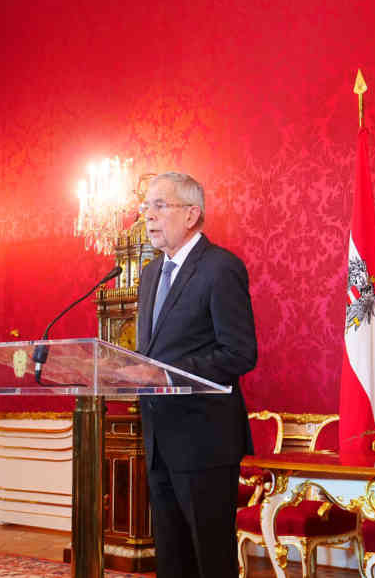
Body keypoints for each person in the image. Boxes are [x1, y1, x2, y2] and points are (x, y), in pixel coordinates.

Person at [132, 171, 257, 578]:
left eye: (158, 205)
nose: (147, 216)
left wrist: (163, 375)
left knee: (210, 558)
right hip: (158, 438)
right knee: (171, 558)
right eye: (144, 206)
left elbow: (239, 353)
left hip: (205, 442)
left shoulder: (221, 268)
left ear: (191, 214)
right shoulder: (150, 274)